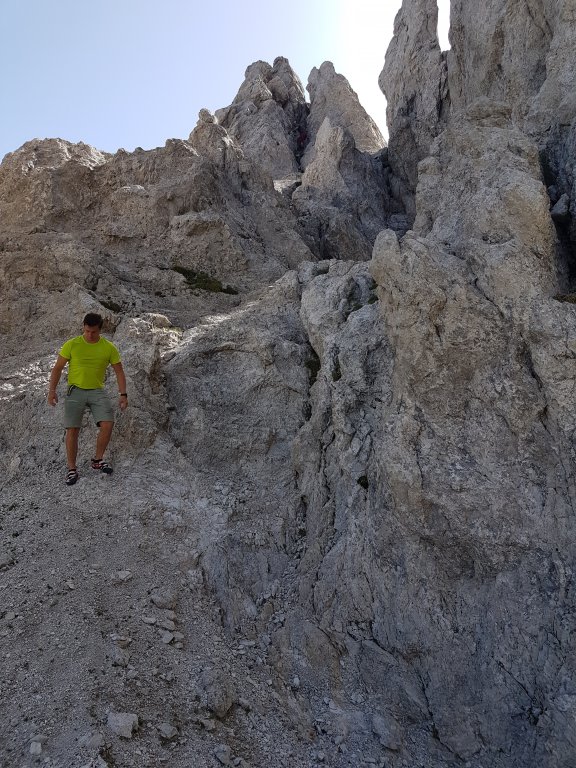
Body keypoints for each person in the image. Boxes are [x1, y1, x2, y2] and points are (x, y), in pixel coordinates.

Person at [47, 312, 128, 485]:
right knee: (72, 429)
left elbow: (119, 371)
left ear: (100, 330)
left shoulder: (108, 347)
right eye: (87, 331)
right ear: (83, 327)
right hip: (75, 390)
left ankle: (97, 460)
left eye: (94, 332)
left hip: (97, 390)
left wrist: (123, 394)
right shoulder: (72, 344)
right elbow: (57, 368)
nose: (90, 335)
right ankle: (71, 469)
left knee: (108, 423)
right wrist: (51, 391)